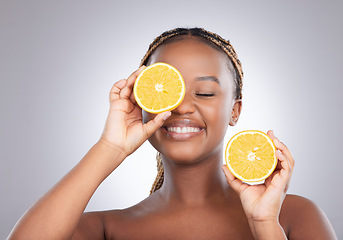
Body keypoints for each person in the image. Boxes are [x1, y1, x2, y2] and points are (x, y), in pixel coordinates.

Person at [7, 27, 337, 240]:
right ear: (142, 100)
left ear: (235, 111)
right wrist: (110, 147)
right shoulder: (106, 228)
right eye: (167, 93)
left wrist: (265, 226)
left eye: (205, 93)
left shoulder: (292, 216)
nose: (182, 108)